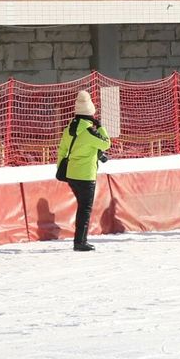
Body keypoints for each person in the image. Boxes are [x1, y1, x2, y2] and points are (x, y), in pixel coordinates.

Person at [58, 90, 111, 252]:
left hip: (71, 174)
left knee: (82, 207)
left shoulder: (69, 128)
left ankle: (80, 240)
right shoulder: (89, 131)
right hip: (86, 175)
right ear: (90, 114)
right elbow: (106, 144)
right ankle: (80, 242)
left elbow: (62, 150)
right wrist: (100, 127)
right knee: (85, 209)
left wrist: (60, 167)